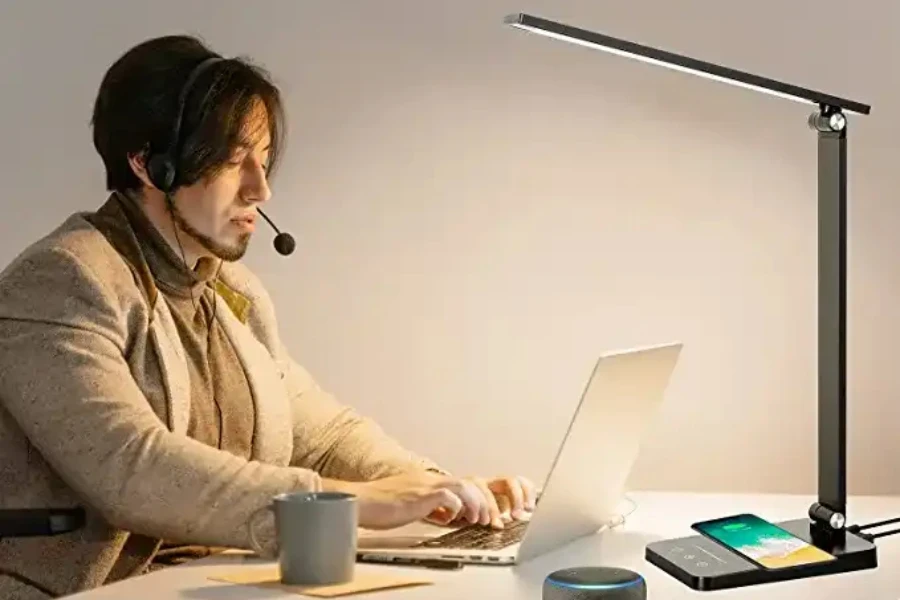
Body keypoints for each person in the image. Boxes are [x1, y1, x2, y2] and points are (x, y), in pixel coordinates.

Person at [0, 35, 536, 599]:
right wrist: (351, 503)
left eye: (263, 159)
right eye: (236, 161)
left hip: (210, 582)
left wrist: (441, 490)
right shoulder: (62, 280)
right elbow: (131, 467)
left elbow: (322, 436)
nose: (262, 188)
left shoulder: (231, 292)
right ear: (149, 164)